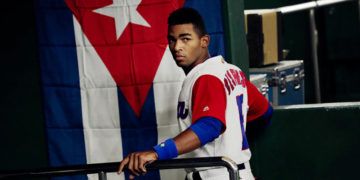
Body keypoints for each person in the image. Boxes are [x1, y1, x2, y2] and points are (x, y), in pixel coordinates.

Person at [118, 7, 272, 180]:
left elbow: (210, 126)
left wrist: (156, 153)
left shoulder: (206, 76)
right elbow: (264, 111)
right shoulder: (230, 71)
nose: (177, 47)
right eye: (172, 40)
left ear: (204, 41)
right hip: (238, 172)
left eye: (185, 39)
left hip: (216, 174)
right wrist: (233, 140)